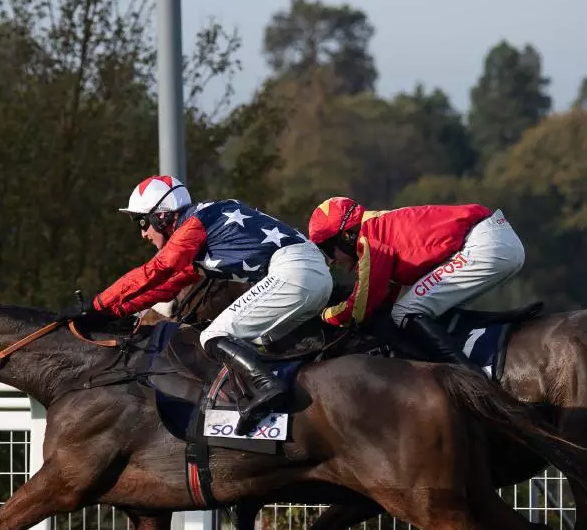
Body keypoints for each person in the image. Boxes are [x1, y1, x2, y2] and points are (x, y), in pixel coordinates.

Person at [79, 175, 333, 433]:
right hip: (312, 275)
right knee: (256, 342)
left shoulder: (195, 224)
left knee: (214, 335)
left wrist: (97, 303)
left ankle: (268, 388)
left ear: (163, 216)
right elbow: (164, 287)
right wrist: (110, 312)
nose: (143, 233)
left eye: (143, 222)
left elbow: (156, 270)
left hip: (296, 271)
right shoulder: (200, 233)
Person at [306, 196, 525, 369]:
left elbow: (359, 309)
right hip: (496, 237)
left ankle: (472, 380)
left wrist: (324, 314)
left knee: (406, 311)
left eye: (327, 249)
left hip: (485, 244)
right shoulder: (377, 229)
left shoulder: (369, 242)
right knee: (421, 310)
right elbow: (383, 295)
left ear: (346, 237)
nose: (332, 261)